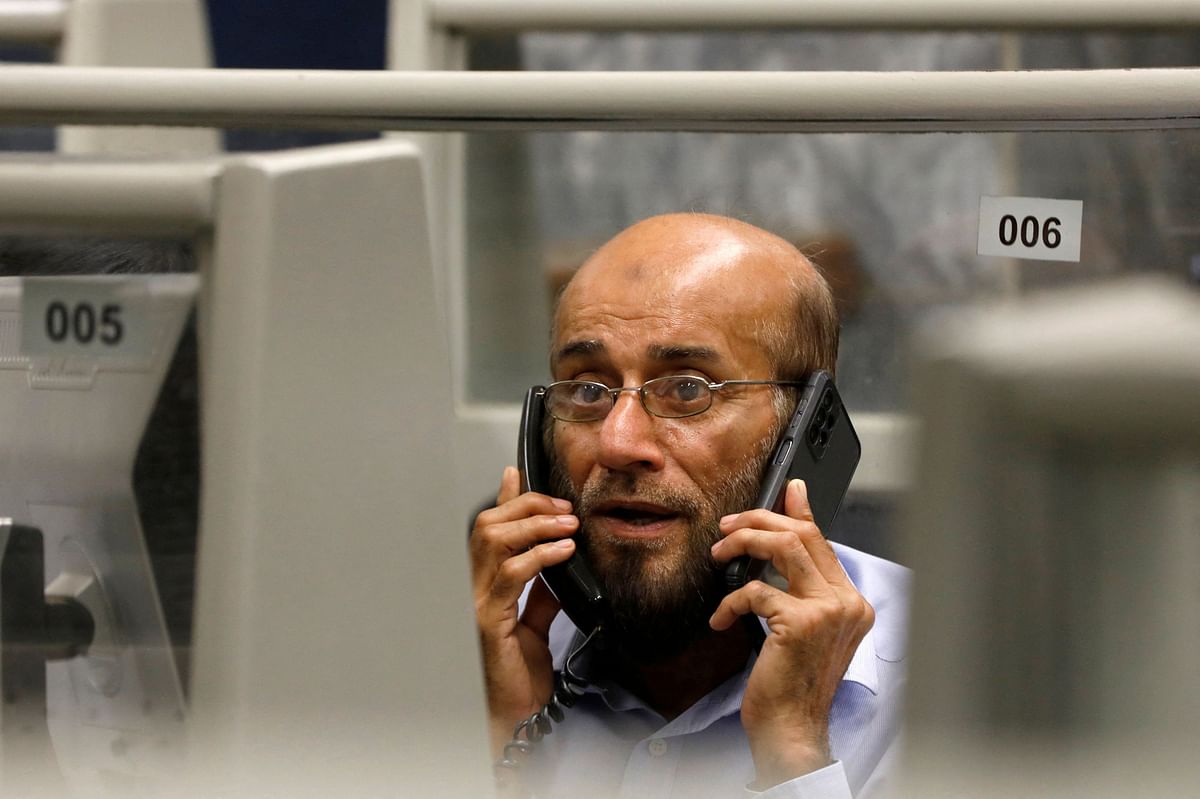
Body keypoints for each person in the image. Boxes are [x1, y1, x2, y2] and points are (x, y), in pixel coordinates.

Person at [470, 213, 909, 798]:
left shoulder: (956, 676)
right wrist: (496, 744)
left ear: (803, 435)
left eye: (686, 389)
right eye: (588, 389)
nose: (619, 443)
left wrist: (795, 756)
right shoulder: (489, 642)